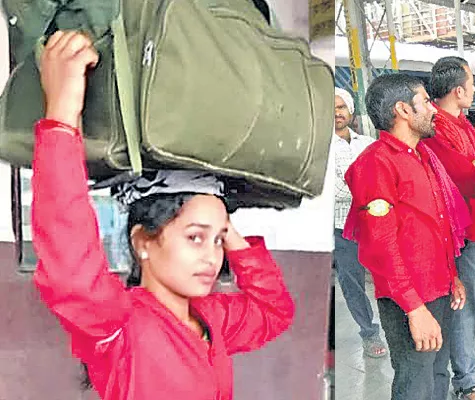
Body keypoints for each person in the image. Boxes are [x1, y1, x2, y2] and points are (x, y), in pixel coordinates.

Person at [32, 31, 295, 398]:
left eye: (218, 241)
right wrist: (61, 114)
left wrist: (221, 221)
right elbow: (70, 267)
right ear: (143, 241)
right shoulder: (120, 325)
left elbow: (273, 312)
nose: (212, 257)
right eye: (195, 237)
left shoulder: (212, 320)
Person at [343, 73, 469, 400]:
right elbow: (380, 247)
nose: (433, 109)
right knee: (415, 383)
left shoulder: (423, 156)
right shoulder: (376, 164)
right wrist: (414, 309)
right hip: (408, 298)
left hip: (438, 288)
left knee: (438, 373)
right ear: (402, 109)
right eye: (425, 102)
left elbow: (436, 226)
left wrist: (452, 277)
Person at [424, 56, 475, 400]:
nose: (474, 90)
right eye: (471, 85)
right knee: (464, 304)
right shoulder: (436, 129)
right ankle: (466, 380)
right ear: (458, 90)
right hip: (461, 232)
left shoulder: (463, 125)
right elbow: (470, 177)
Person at [332, 87, 388, 358]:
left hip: (376, 227)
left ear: (350, 111)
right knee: (352, 282)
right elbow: (334, 191)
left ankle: (400, 323)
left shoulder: (367, 144)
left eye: (341, 107)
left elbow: (383, 179)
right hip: (342, 229)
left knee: (388, 276)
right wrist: (369, 194)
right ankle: (369, 332)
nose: (336, 113)